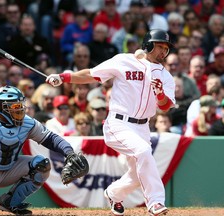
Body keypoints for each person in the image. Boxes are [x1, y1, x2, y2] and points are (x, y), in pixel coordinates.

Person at [46, 29, 175, 216]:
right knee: (144, 153)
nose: (163, 51)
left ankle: (113, 193)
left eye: (166, 48)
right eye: (160, 46)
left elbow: (165, 106)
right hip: (119, 123)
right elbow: (92, 74)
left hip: (143, 126)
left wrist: (161, 94)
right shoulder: (124, 61)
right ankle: (155, 202)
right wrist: (64, 77)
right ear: (148, 45)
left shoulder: (166, 76)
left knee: (139, 173)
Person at [0, 85, 88, 215]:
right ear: (1, 107)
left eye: (21, 104)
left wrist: (69, 153)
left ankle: (10, 203)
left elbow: (51, 139)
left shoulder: (27, 123)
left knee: (42, 165)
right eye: (15, 105)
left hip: (7, 169)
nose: (20, 109)